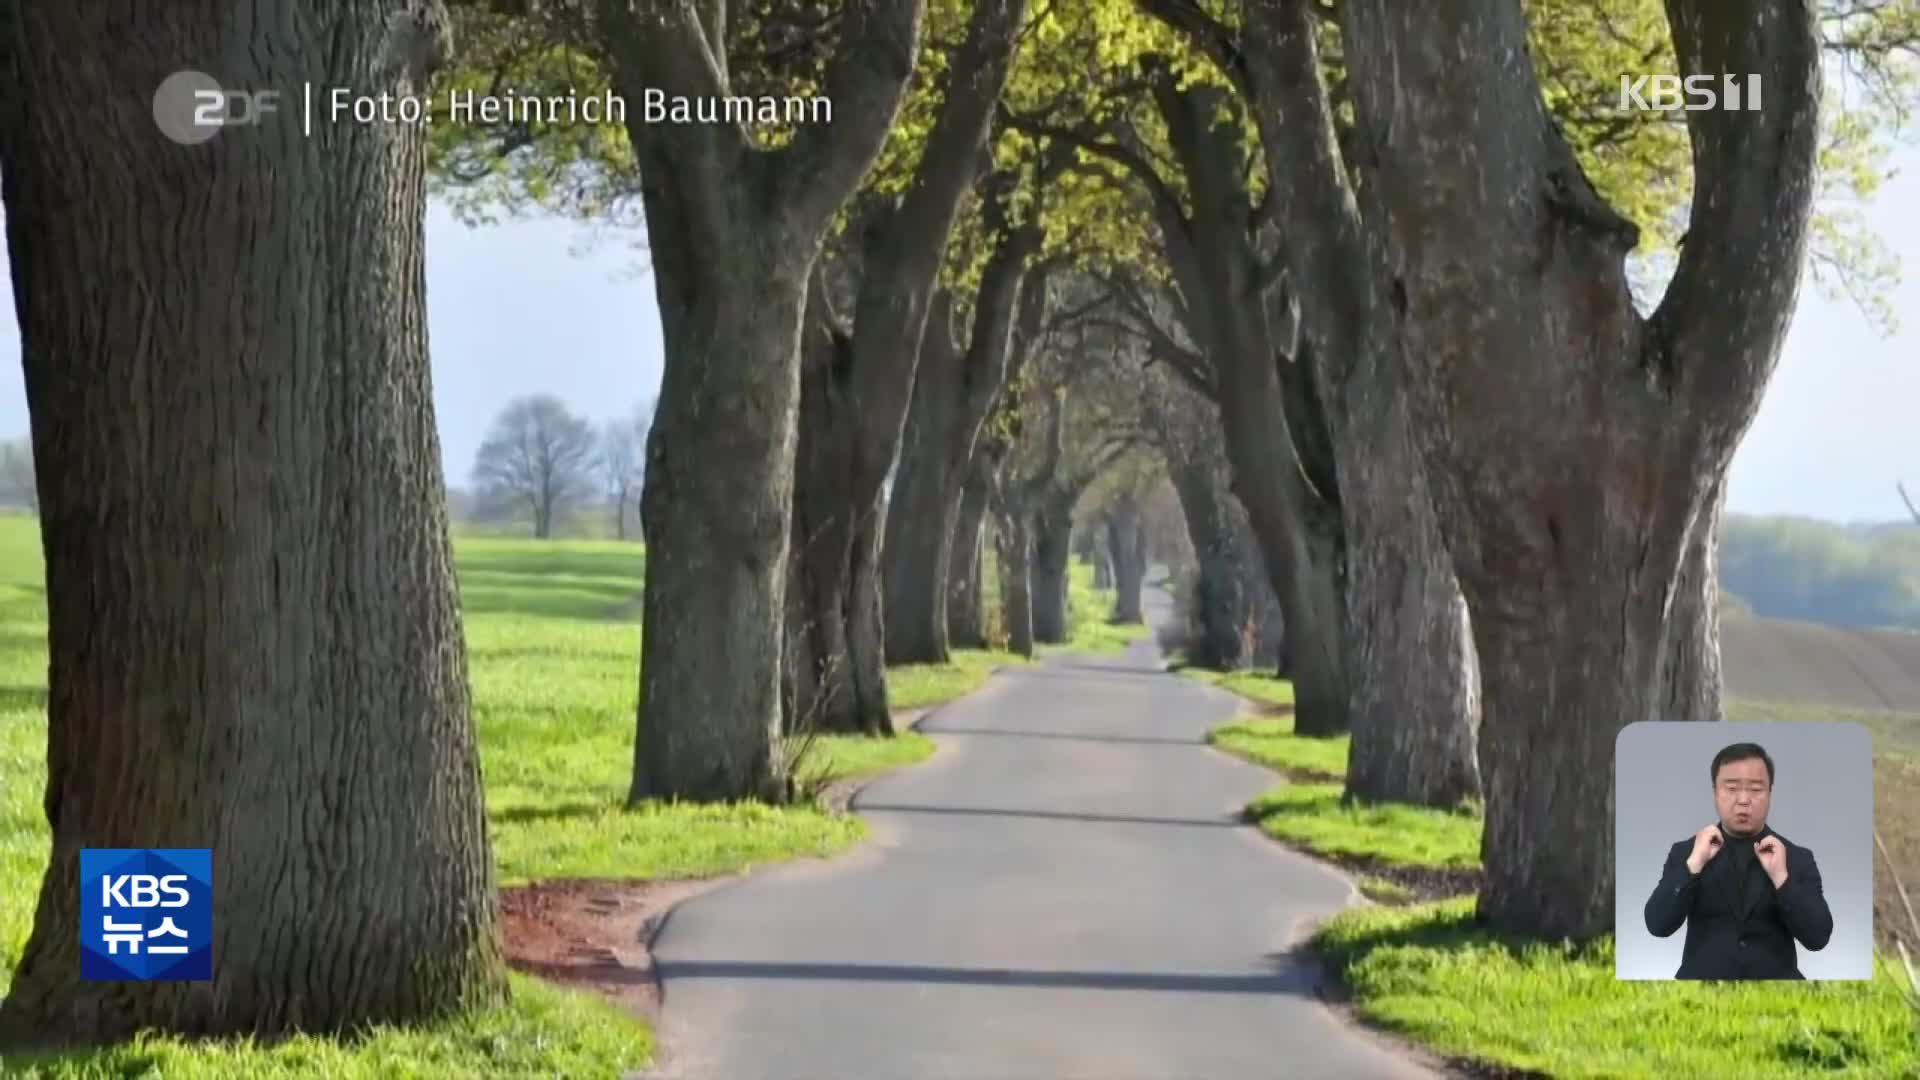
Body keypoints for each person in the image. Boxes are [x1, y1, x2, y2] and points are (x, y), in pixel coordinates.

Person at [1642, 742, 1834, 979]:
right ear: (1715, 792)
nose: (1743, 800)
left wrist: (1782, 880)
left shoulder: (1796, 857)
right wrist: (1692, 866)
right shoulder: (1687, 853)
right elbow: (1657, 925)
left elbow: (1818, 938)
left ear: (1770, 793)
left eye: (1755, 789)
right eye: (1731, 788)